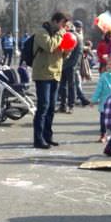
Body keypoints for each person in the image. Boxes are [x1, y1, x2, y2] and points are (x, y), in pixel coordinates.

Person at [31, 13, 67, 149]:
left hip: (55, 73)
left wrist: (67, 49)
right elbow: (50, 46)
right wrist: (62, 34)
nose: (63, 27)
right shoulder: (41, 32)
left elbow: (62, 53)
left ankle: (48, 136)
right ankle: (38, 139)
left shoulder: (60, 34)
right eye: (62, 24)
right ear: (54, 21)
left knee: (51, 107)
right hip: (42, 74)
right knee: (43, 106)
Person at [57, 22, 83, 113]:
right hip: (71, 65)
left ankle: (67, 105)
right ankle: (67, 106)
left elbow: (69, 51)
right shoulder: (76, 36)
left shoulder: (71, 36)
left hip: (69, 64)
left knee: (67, 85)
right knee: (68, 85)